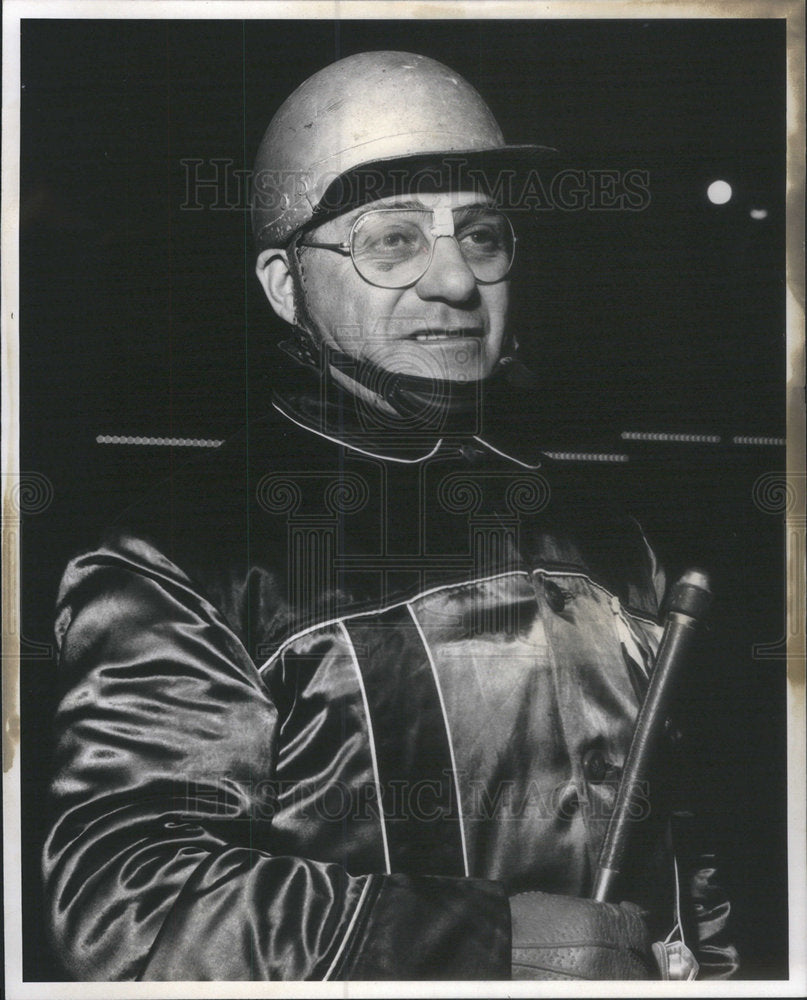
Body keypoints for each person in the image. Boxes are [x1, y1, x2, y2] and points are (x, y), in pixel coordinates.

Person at [43, 50, 738, 981]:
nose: (455, 282)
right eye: (393, 240)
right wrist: (499, 942)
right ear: (286, 285)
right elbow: (132, 904)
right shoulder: (182, 552)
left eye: (481, 236)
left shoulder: (606, 531)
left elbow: (692, 878)